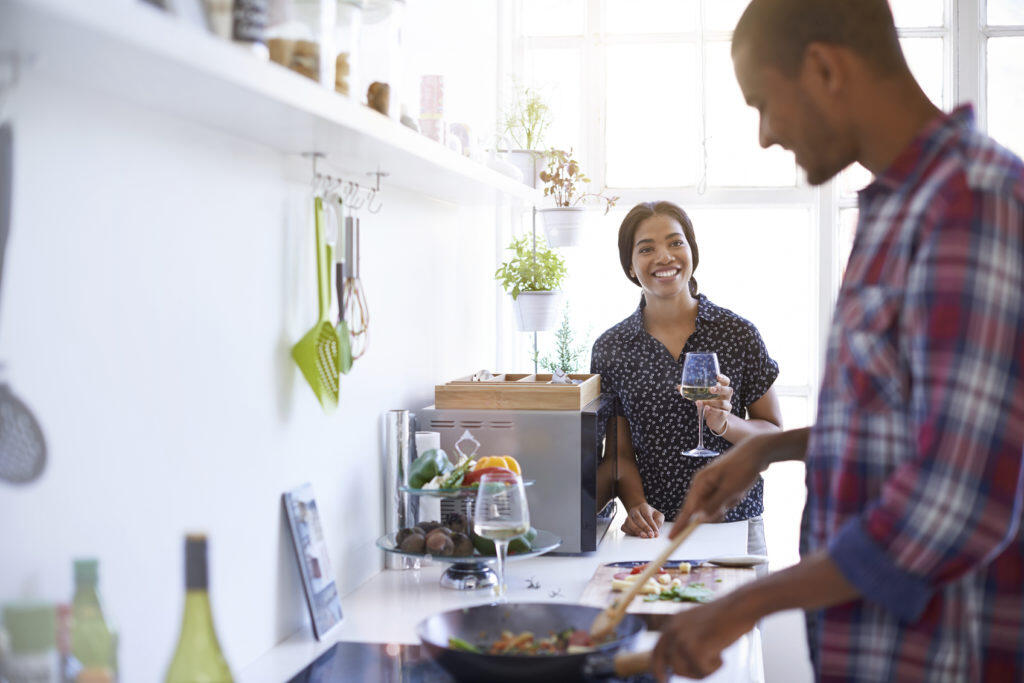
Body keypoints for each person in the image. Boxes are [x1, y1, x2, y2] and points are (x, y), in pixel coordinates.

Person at [651, 1, 1024, 681]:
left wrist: (745, 603)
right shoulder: (897, 209)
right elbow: (908, 423)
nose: (764, 135)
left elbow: (958, 499)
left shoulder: (972, 204)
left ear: (823, 67)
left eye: (764, 103)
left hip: (943, 657)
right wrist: (773, 445)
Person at [590, 200, 782, 554]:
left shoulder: (737, 334)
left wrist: (725, 424)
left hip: (735, 525)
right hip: (656, 534)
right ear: (630, 267)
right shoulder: (611, 347)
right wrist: (636, 507)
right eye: (646, 248)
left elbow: (773, 436)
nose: (664, 256)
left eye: (675, 242)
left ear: (692, 252)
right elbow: (619, 455)